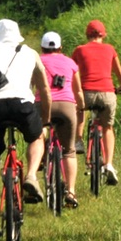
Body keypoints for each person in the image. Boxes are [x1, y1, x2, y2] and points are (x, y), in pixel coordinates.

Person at [0, 18, 52, 240]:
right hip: (22, 104)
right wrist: (46, 119)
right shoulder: (30, 53)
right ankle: (32, 176)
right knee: (36, 139)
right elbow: (44, 88)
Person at [72, 19, 121, 185]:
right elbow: (120, 73)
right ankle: (109, 164)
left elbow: (72, 71)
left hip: (86, 93)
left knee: (80, 109)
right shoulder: (110, 49)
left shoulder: (79, 50)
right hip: (107, 93)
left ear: (87, 34)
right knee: (108, 127)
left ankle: (79, 141)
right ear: (103, 34)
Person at [39, 31, 84, 208]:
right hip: (66, 106)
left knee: (37, 137)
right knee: (69, 151)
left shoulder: (38, 60)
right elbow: (78, 90)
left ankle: (40, 162)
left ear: (42, 47)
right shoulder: (70, 63)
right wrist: (81, 107)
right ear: (60, 48)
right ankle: (71, 191)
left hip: (43, 105)